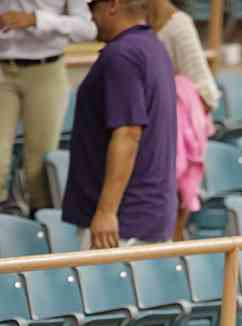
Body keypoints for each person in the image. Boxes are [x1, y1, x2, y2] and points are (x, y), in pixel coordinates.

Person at [62, 0, 177, 249]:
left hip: (121, 224)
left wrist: (106, 211)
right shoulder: (152, 46)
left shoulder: (121, 55)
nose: (90, 16)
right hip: (147, 215)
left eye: (93, 7)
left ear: (112, 5)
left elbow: (128, 133)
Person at [0, 0, 96, 214]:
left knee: (40, 166)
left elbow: (87, 29)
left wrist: (37, 20)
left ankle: (41, 223)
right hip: (2, 68)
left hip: (46, 68)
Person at [147, 0, 221, 240]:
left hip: (172, 141)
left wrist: (174, 101)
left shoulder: (178, 25)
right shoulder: (130, 21)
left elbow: (207, 94)